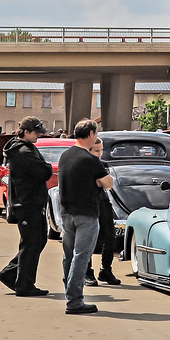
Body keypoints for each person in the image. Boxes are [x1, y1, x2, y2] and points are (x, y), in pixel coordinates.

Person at [58, 119, 112, 314]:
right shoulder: (90, 160)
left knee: (69, 255)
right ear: (90, 134)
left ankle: (69, 292)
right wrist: (98, 182)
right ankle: (74, 300)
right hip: (86, 214)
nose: (96, 137)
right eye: (95, 133)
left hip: (67, 213)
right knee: (81, 256)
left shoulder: (65, 155)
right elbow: (109, 183)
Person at [0, 117, 52, 297]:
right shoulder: (23, 152)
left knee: (37, 241)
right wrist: (47, 166)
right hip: (27, 204)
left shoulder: (24, 149)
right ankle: (24, 284)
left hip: (29, 203)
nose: (39, 135)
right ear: (26, 132)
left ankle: (12, 274)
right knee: (32, 243)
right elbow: (43, 172)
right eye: (36, 132)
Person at [85, 137, 120, 287]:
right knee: (89, 238)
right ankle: (87, 272)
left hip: (103, 201)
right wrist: (100, 180)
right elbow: (97, 182)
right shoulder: (84, 163)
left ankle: (106, 269)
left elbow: (106, 184)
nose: (99, 154)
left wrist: (100, 180)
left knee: (109, 235)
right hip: (88, 203)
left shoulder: (102, 164)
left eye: (101, 150)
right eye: (96, 150)